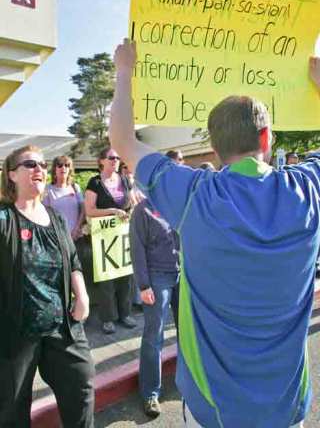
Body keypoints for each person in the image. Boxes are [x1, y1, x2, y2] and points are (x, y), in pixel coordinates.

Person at [108, 39, 320, 428]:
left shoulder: (191, 196)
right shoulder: (307, 190)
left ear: (215, 148)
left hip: (214, 411)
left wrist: (124, 71)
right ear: (267, 137)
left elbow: (122, 141)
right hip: (286, 408)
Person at [0, 145, 95, 428]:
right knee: (11, 406)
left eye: (42, 164)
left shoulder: (54, 217)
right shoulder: (5, 218)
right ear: (12, 175)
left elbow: (73, 258)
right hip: (17, 331)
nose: (39, 169)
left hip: (62, 325)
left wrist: (83, 295)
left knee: (81, 385)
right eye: (30, 164)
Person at [129, 198, 180, 418]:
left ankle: (188, 382)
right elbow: (137, 248)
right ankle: (150, 392)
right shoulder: (143, 210)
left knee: (187, 333)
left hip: (183, 274)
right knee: (154, 336)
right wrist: (144, 284)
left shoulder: (178, 202)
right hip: (157, 278)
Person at [84, 147, 136, 334]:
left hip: (123, 236)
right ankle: (108, 319)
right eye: (111, 158)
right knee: (107, 280)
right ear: (102, 161)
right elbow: (89, 210)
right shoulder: (95, 183)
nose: (115, 160)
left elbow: (131, 203)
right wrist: (113, 211)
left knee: (126, 277)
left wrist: (130, 210)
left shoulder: (124, 180)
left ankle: (125, 314)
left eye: (117, 158)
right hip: (103, 238)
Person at [43, 155, 84, 240]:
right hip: (56, 237)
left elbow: (83, 210)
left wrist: (77, 229)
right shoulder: (47, 189)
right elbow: (45, 214)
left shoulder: (75, 187)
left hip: (76, 236)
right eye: (60, 165)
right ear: (55, 169)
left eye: (67, 165)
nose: (63, 168)